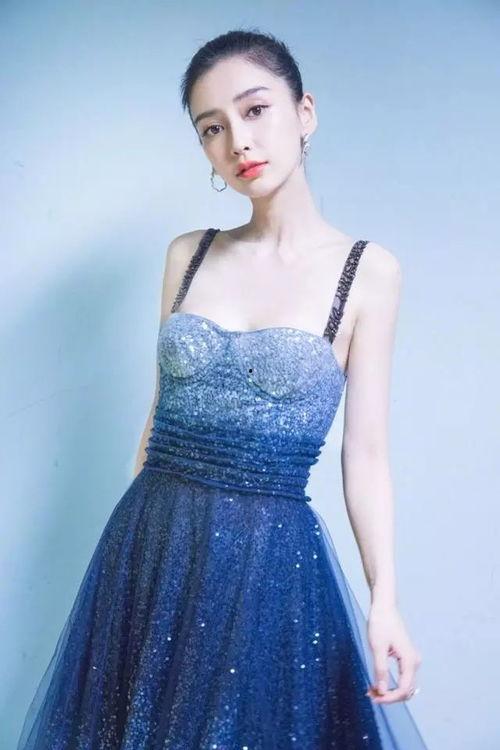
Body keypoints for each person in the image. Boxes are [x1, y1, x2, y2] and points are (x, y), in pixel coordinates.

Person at [17, 29, 429, 749]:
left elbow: (364, 455)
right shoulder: (188, 253)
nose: (238, 141)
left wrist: (385, 601)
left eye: (255, 109)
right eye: (211, 128)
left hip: (267, 570)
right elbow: (159, 413)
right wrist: (136, 548)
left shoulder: (369, 273)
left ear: (304, 112)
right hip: (149, 548)